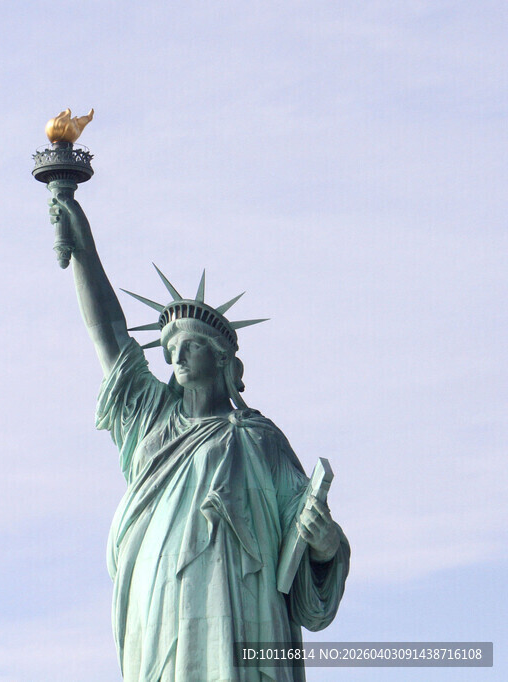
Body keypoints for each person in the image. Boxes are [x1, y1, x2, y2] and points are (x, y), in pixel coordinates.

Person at [49, 193, 350, 682]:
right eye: (171, 349)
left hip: (244, 611)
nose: (177, 357)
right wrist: (82, 245)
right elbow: (107, 332)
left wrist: (324, 543)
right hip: (161, 599)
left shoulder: (259, 440)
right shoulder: (151, 423)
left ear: (224, 360)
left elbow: (304, 527)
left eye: (191, 345)